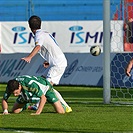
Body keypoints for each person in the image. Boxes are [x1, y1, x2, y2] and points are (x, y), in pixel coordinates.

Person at [21, 15, 72, 112]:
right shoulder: (44, 33)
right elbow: (52, 48)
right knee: (42, 81)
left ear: (29, 26)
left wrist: (29, 57)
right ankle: (37, 104)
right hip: (56, 62)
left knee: (47, 87)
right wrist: (49, 61)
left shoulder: (39, 35)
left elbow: (38, 47)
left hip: (57, 64)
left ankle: (64, 106)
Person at [2, 75, 70, 115]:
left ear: (19, 86)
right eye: (13, 93)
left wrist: (38, 112)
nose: (15, 95)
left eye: (16, 93)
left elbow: (43, 98)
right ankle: (26, 104)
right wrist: (5, 110)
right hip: (26, 92)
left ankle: (62, 105)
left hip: (46, 88)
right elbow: (4, 99)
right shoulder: (10, 86)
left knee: (61, 112)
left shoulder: (30, 84)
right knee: (15, 111)